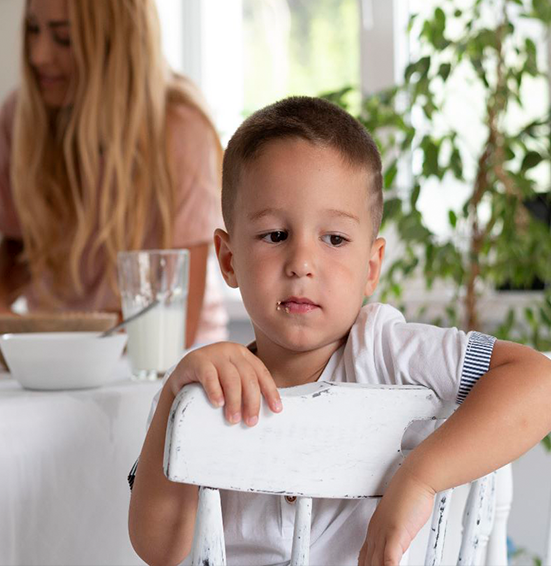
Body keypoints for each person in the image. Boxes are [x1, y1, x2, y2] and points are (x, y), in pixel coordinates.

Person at [128, 96, 551, 566]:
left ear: (371, 267)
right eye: (275, 235)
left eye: (334, 239)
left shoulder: (386, 350)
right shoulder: (209, 392)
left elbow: (540, 380)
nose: (302, 263)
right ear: (229, 260)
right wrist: (176, 394)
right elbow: (159, 549)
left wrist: (419, 477)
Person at [0, 0, 226, 349]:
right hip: (61, 362)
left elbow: (170, 327)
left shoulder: (180, 128)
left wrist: (36, 330)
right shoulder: (18, 117)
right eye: (33, 29)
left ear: (117, 39)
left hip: (170, 370)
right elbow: (18, 244)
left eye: (63, 36)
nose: (39, 55)